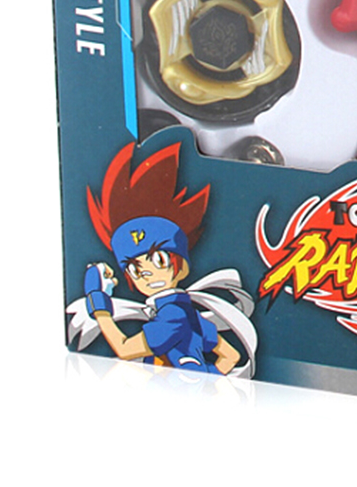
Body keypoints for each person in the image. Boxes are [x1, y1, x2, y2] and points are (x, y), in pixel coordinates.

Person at [67, 142, 257, 377]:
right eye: (136, 270)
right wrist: (205, 380)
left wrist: (99, 303)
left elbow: (125, 350)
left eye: (158, 261)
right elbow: (230, 356)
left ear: (181, 267)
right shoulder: (186, 312)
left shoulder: (173, 315)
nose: (147, 273)